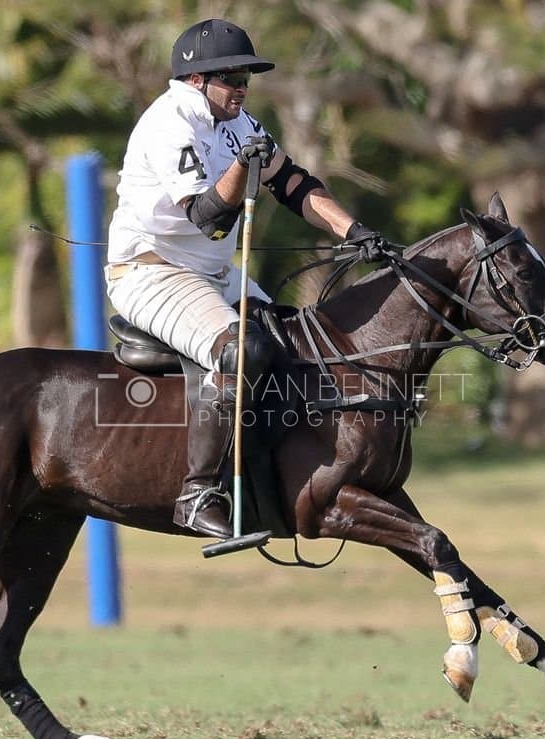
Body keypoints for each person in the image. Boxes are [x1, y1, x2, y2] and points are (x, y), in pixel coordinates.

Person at [105, 18, 388, 540]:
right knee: (243, 352)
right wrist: (241, 167)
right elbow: (209, 218)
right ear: (196, 80)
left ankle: (279, 477)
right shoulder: (170, 124)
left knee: (298, 340)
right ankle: (197, 494)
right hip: (152, 273)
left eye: (247, 78)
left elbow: (293, 182)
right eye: (232, 78)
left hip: (211, 274)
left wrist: (354, 231)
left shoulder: (237, 121)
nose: (242, 88)